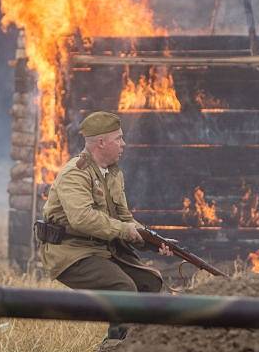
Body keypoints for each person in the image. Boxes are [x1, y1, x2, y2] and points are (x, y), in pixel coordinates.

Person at [40, 111, 170, 339]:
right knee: (123, 288)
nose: (124, 144)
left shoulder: (113, 174)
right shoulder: (75, 174)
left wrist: (150, 239)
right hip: (72, 253)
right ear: (101, 142)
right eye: (118, 138)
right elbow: (82, 218)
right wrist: (124, 230)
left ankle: (144, 344)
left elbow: (125, 218)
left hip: (103, 249)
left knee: (150, 282)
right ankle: (116, 349)